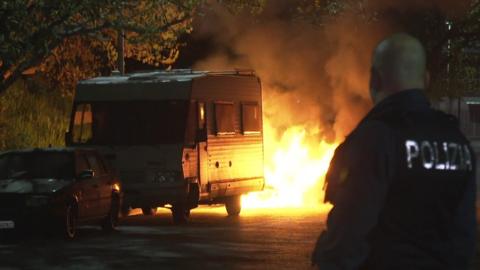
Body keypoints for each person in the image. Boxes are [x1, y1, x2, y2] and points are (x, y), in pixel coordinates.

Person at [311, 33, 477, 270]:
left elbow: (346, 239)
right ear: (426, 79)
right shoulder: (458, 142)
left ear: (374, 79)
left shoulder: (374, 139)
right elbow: (465, 238)